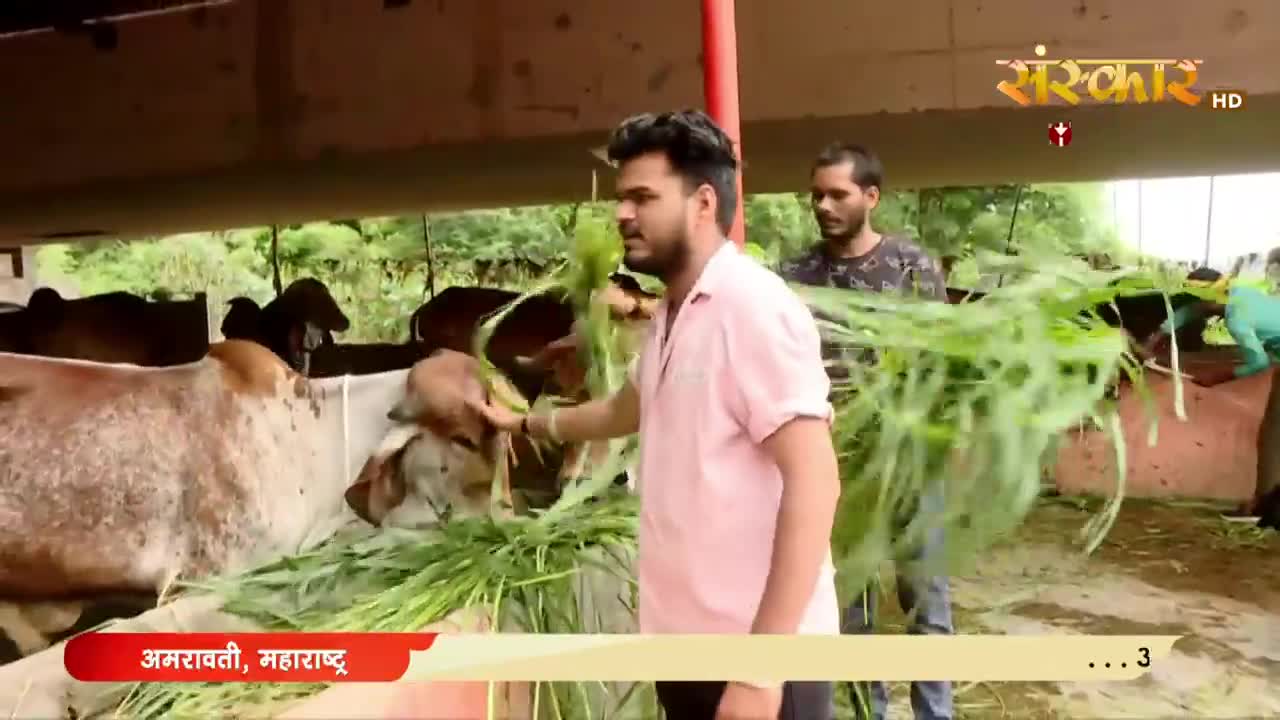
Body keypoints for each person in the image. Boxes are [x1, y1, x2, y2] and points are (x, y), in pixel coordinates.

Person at [468, 109, 842, 720]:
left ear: (701, 203)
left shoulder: (752, 309)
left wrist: (759, 673)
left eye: (642, 196)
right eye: (622, 198)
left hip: (754, 659)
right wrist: (526, 425)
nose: (622, 213)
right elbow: (626, 409)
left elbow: (815, 481)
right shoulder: (671, 312)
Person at [779, 143, 955, 720]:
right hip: (837, 463)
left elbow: (941, 359)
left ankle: (935, 713)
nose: (824, 206)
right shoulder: (797, 275)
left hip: (910, 462)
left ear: (871, 197)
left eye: (838, 194)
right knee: (848, 610)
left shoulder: (912, 265)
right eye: (816, 196)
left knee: (926, 604)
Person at [1139, 266, 1280, 530]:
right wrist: (1158, 336)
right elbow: (1188, 312)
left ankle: (1262, 509)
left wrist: (1220, 376)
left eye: (1196, 299)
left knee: (1273, 437)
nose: (1193, 306)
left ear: (1210, 299)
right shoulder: (1237, 292)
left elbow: (1258, 362)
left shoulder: (1237, 318)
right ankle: (1264, 505)